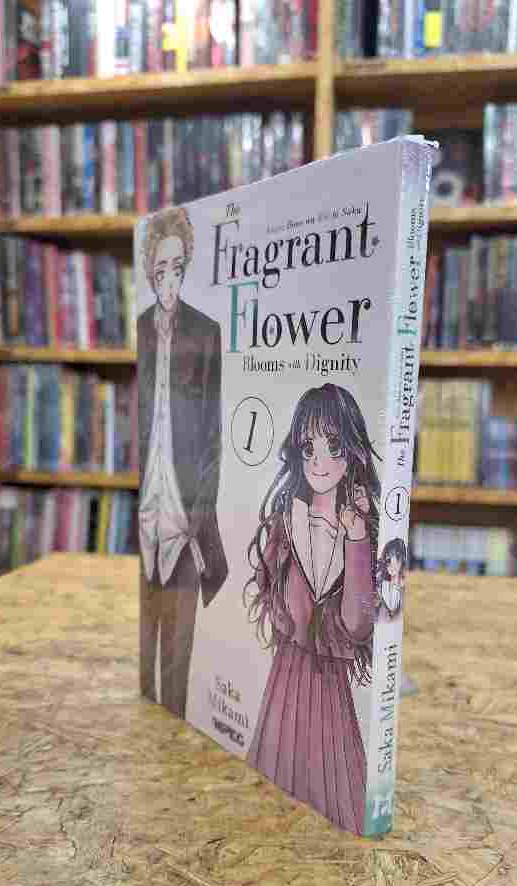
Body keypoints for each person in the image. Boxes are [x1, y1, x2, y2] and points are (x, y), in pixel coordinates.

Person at [243, 383, 381, 833]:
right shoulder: (287, 520)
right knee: (271, 790)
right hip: (287, 677)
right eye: (309, 448)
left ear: (352, 450)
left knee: (339, 799)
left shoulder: (358, 531)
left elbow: (358, 625)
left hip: (330, 688)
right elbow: (268, 587)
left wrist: (356, 539)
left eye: (333, 447)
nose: (320, 461)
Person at [138, 207, 227, 718]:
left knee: (177, 669)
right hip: (146, 512)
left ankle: (172, 726)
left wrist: (198, 514)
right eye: (159, 269)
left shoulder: (206, 331)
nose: (168, 279)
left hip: (185, 517)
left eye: (177, 267)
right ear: (149, 272)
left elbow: (215, 436)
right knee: (145, 655)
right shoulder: (141, 329)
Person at [376, 538, 407, 621]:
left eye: (397, 559)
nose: (392, 565)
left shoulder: (403, 587)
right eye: (388, 560)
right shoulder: (380, 585)